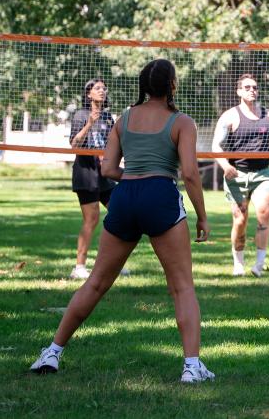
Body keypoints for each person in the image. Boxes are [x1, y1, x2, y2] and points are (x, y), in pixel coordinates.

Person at [30, 59, 214, 383]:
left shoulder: (124, 118)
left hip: (125, 194)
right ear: (172, 85)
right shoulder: (182, 121)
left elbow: (108, 169)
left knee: (97, 282)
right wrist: (202, 215)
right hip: (160, 193)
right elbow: (188, 173)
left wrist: (134, 177)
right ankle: (191, 367)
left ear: (144, 85)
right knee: (182, 287)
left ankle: (52, 352)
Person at [212, 74, 269, 277]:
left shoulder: (268, 116)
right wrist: (225, 166)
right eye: (247, 87)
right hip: (237, 174)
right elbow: (216, 146)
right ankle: (238, 263)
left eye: (254, 87)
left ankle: (258, 265)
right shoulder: (230, 116)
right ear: (239, 91)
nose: (252, 90)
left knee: (264, 214)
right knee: (240, 220)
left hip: (263, 174)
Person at [68, 79, 118, 279]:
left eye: (104, 88)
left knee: (120, 213)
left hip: (105, 173)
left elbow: (115, 143)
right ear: (88, 94)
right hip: (86, 173)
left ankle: (112, 263)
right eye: (97, 88)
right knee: (92, 218)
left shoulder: (107, 117)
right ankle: (79, 267)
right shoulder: (80, 115)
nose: (102, 91)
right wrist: (89, 123)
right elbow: (74, 144)